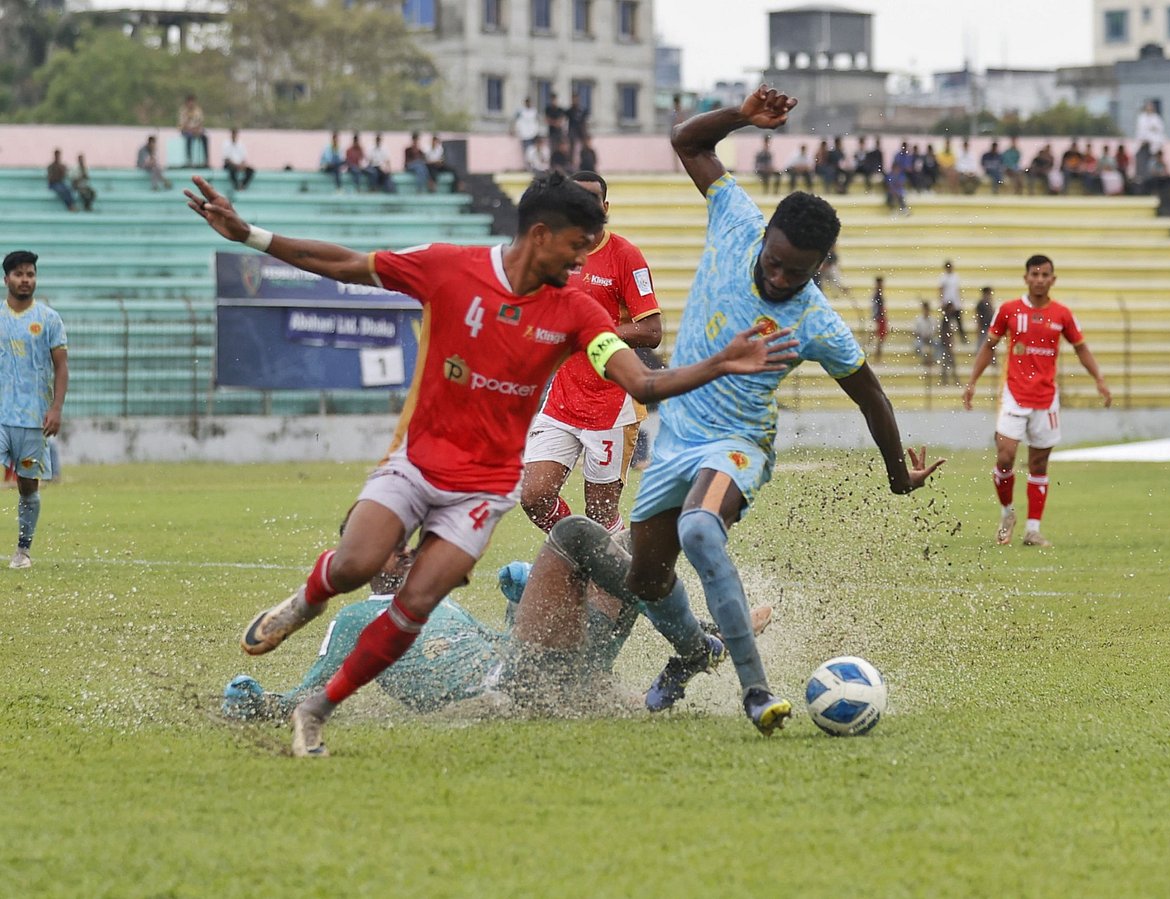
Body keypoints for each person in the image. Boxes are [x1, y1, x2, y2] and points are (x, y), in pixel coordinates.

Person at [182, 170, 799, 757]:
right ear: (540, 236)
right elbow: (349, 264)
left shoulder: (577, 311)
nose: (583, 264)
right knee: (358, 563)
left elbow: (639, 380)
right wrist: (252, 237)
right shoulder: (450, 268)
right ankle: (308, 599)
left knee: (421, 598)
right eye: (576, 249)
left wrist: (718, 363)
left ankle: (317, 711)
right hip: (418, 462)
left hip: (481, 490)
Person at [513, 85, 943, 738]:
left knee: (700, 531)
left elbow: (871, 396)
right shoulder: (736, 216)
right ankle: (693, 652)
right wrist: (742, 115)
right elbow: (687, 140)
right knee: (647, 578)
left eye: (796, 274)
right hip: (675, 432)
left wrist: (895, 474)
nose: (778, 279)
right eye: (773, 263)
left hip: (738, 442)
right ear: (764, 233)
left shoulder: (818, 322)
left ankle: (756, 690)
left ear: (818, 267)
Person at [223, 535, 776, 721]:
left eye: (402, 540)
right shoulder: (353, 618)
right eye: (382, 545)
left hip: (533, 671)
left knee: (631, 541)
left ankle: (685, 658)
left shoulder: (440, 605)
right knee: (576, 534)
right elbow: (313, 690)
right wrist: (260, 702)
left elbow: (494, 646)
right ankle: (697, 643)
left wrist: (517, 606)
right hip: (515, 686)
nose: (402, 549)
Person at [521, 171, 662, 535]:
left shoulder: (625, 256)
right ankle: (582, 553)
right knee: (534, 497)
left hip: (611, 405)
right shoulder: (555, 255)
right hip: (563, 401)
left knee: (601, 514)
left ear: (605, 208)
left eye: (591, 200)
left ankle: (615, 573)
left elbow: (651, 331)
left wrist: (591, 333)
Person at [962, 255, 1111, 548]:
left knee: (1038, 465)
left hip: (1046, 401)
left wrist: (1099, 379)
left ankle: (1032, 530)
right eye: (1035, 274)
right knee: (1005, 456)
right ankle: (1007, 513)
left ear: (1053, 279)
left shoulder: (1062, 315)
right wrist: (972, 383)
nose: (1040, 279)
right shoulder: (1008, 310)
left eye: (1045, 275)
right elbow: (988, 346)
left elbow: (1081, 348)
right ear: (1026, 278)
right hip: (1014, 397)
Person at [1, 251, 68, 570]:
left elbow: (61, 366)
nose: (25, 279)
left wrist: (55, 408)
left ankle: (22, 551)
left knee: (28, 486)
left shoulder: (49, 319)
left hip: (31, 421)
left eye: (30, 274)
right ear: (6, 280)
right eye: (18, 274)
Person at [938, 260, 967, 345]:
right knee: (945, 322)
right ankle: (943, 339)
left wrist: (960, 301)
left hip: (955, 302)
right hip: (947, 302)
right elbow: (941, 290)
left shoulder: (955, 277)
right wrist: (942, 301)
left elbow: (958, 290)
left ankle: (963, 338)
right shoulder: (943, 277)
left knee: (958, 321)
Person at [178, 94, 208, 167]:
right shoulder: (183, 111)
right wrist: (190, 128)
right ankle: (189, 160)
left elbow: (200, 123)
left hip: (196, 131)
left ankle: (206, 161)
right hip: (187, 131)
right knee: (189, 138)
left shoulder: (198, 111)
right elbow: (182, 125)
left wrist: (196, 130)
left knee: (204, 138)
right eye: (189, 102)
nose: (191, 104)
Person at [566, 92, 589, 167]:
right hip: (572, 131)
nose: (574, 101)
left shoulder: (582, 110)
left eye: (576, 99)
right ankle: (571, 164)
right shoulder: (569, 111)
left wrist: (585, 133)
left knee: (584, 148)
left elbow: (584, 122)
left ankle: (584, 162)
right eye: (573, 99)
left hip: (581, 131)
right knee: (572, 149)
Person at [869, 275, 888, 363]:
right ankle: (876, 359)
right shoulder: (877, 295)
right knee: (879, 339)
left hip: (880, 318)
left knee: (879, 339)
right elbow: (875, 308)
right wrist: (876, 318)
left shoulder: (878, 294)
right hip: (879, 318)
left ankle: (877, 359)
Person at [912, 300, 935, 366]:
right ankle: (927, 361)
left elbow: (934, 332)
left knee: (936, 344)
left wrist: (928, 337)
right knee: (920, 345)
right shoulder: (918, 320)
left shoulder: (932, 320)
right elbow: (915, 332)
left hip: (930, 339)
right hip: (921, 339)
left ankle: (930, 361)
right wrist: (922, 336)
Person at [973, 286, 995, 351]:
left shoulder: (989, 303)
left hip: (989, 327)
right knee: (982, 344)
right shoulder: (981, 303)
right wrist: (978, 328)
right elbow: (978, 316)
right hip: (984, 326)